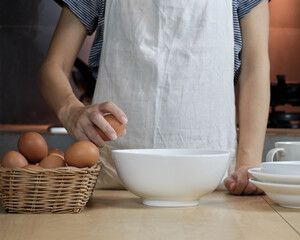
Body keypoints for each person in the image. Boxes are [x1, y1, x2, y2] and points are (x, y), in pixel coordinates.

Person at [38, 0, 270, 195]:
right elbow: (53, 66)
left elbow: (255, 67)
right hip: (117, 189)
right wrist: (69, 109)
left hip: (212, 186)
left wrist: (249, 163)